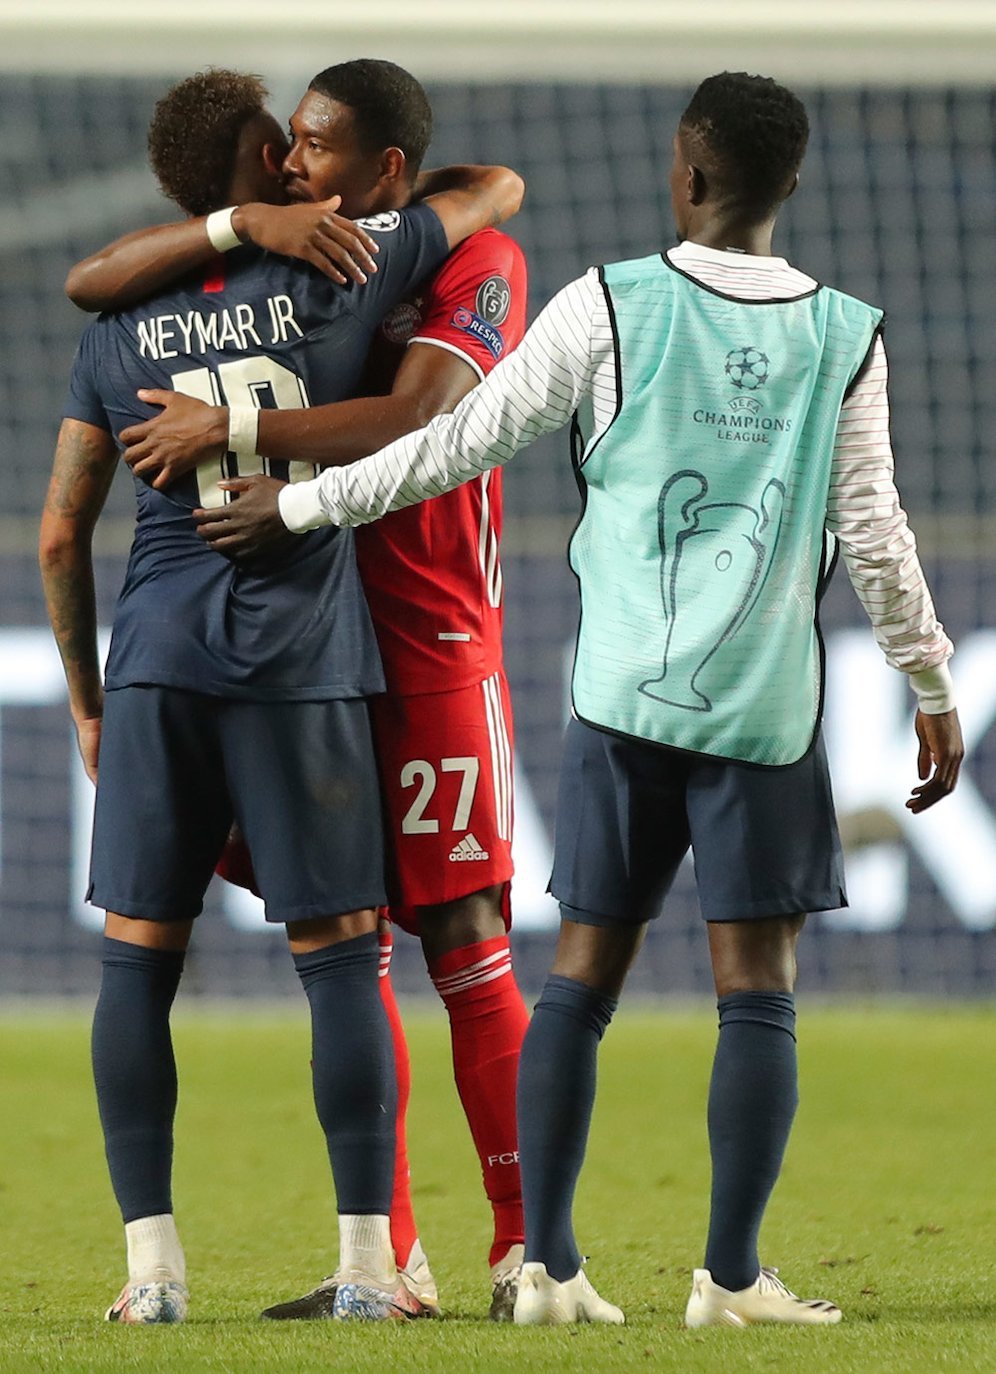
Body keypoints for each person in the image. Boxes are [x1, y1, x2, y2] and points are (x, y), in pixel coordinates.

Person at [198, 72, 965, 1328]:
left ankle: (546, 1268)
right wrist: (928, 680)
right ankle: (727, 1281)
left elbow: (453, 443)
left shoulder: (606, 304)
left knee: (579, 982)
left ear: (686, 171)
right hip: (765, 712)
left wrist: (293, 501)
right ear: (792, 183)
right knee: (756, 990)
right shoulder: (848, 334)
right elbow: (873, 530)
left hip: (618, 706)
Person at [41, 65, 522, 1325]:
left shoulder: (116, 323)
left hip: (152, 663)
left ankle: (151, 1278)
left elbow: (56, 534)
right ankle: (376, 1267)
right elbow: (489, 193)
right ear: (265, 173)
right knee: (341, 959)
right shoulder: (341, 270)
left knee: (135, 970)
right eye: (286, 152)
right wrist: (277, 234)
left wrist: (87, 702)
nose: (305, 170)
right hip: (303, 669)